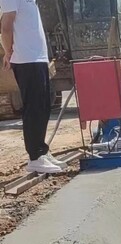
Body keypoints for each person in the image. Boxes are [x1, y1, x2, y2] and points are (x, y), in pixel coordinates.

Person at [0, 0, 66, 174]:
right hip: (26, 59)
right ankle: (35, 157)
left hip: (38, 57)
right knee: (34, 108)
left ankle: (42, 151)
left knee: (43, 107)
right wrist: (8, 52)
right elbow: (6, 26)